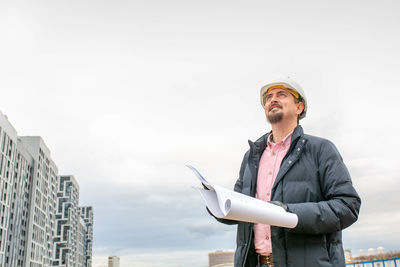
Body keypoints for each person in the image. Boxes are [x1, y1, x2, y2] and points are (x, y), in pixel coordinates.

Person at [211, 77, 361, 267]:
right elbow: (241, 210)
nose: (272, 100)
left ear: (299, 108)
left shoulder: (321, 149)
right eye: (268, 97)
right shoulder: (252, 157)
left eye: (281, 94)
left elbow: (347, 206)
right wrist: (216, 205)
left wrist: (289, 213)